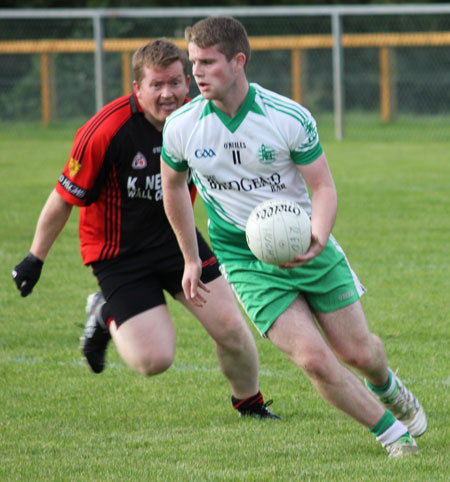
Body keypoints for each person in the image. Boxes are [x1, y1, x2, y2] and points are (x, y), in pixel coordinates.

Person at [160, 17, 427, 457]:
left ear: (238, 61)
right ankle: (394, 436)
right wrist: (191, 257)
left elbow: (322, 187)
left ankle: (388, 387)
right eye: (194, 63)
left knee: (360, 353)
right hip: (245, 257)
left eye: (207, 62)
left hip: (307, 243)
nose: (197, 74)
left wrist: (318, 236)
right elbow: (173, 187)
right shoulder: (182, 127)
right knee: (314, 359)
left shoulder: (287, 117)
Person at [11, 38, 279, 419]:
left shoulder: (200, 118)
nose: (168, 94)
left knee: (232, 328)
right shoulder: (106, 130)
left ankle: (250, 405)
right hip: (119, 255)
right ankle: (105, 312)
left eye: (174, 82)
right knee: (154, 360)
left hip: (178, 240)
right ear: (138, 89)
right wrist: (35, 258)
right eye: (157, 85)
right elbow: (62, 198)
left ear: (187, 82)